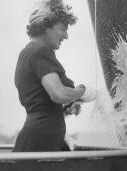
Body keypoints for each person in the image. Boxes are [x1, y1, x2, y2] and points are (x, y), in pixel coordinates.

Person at [13, 0, 96, 152]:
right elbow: (59, 94)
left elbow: (43, 104)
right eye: (63, 29)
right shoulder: (40, 52)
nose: (66, 36)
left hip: (41, 134)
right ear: (45, 27)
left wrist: (60, 134)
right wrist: (83, 92)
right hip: (41, 137)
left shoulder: (27, 53)